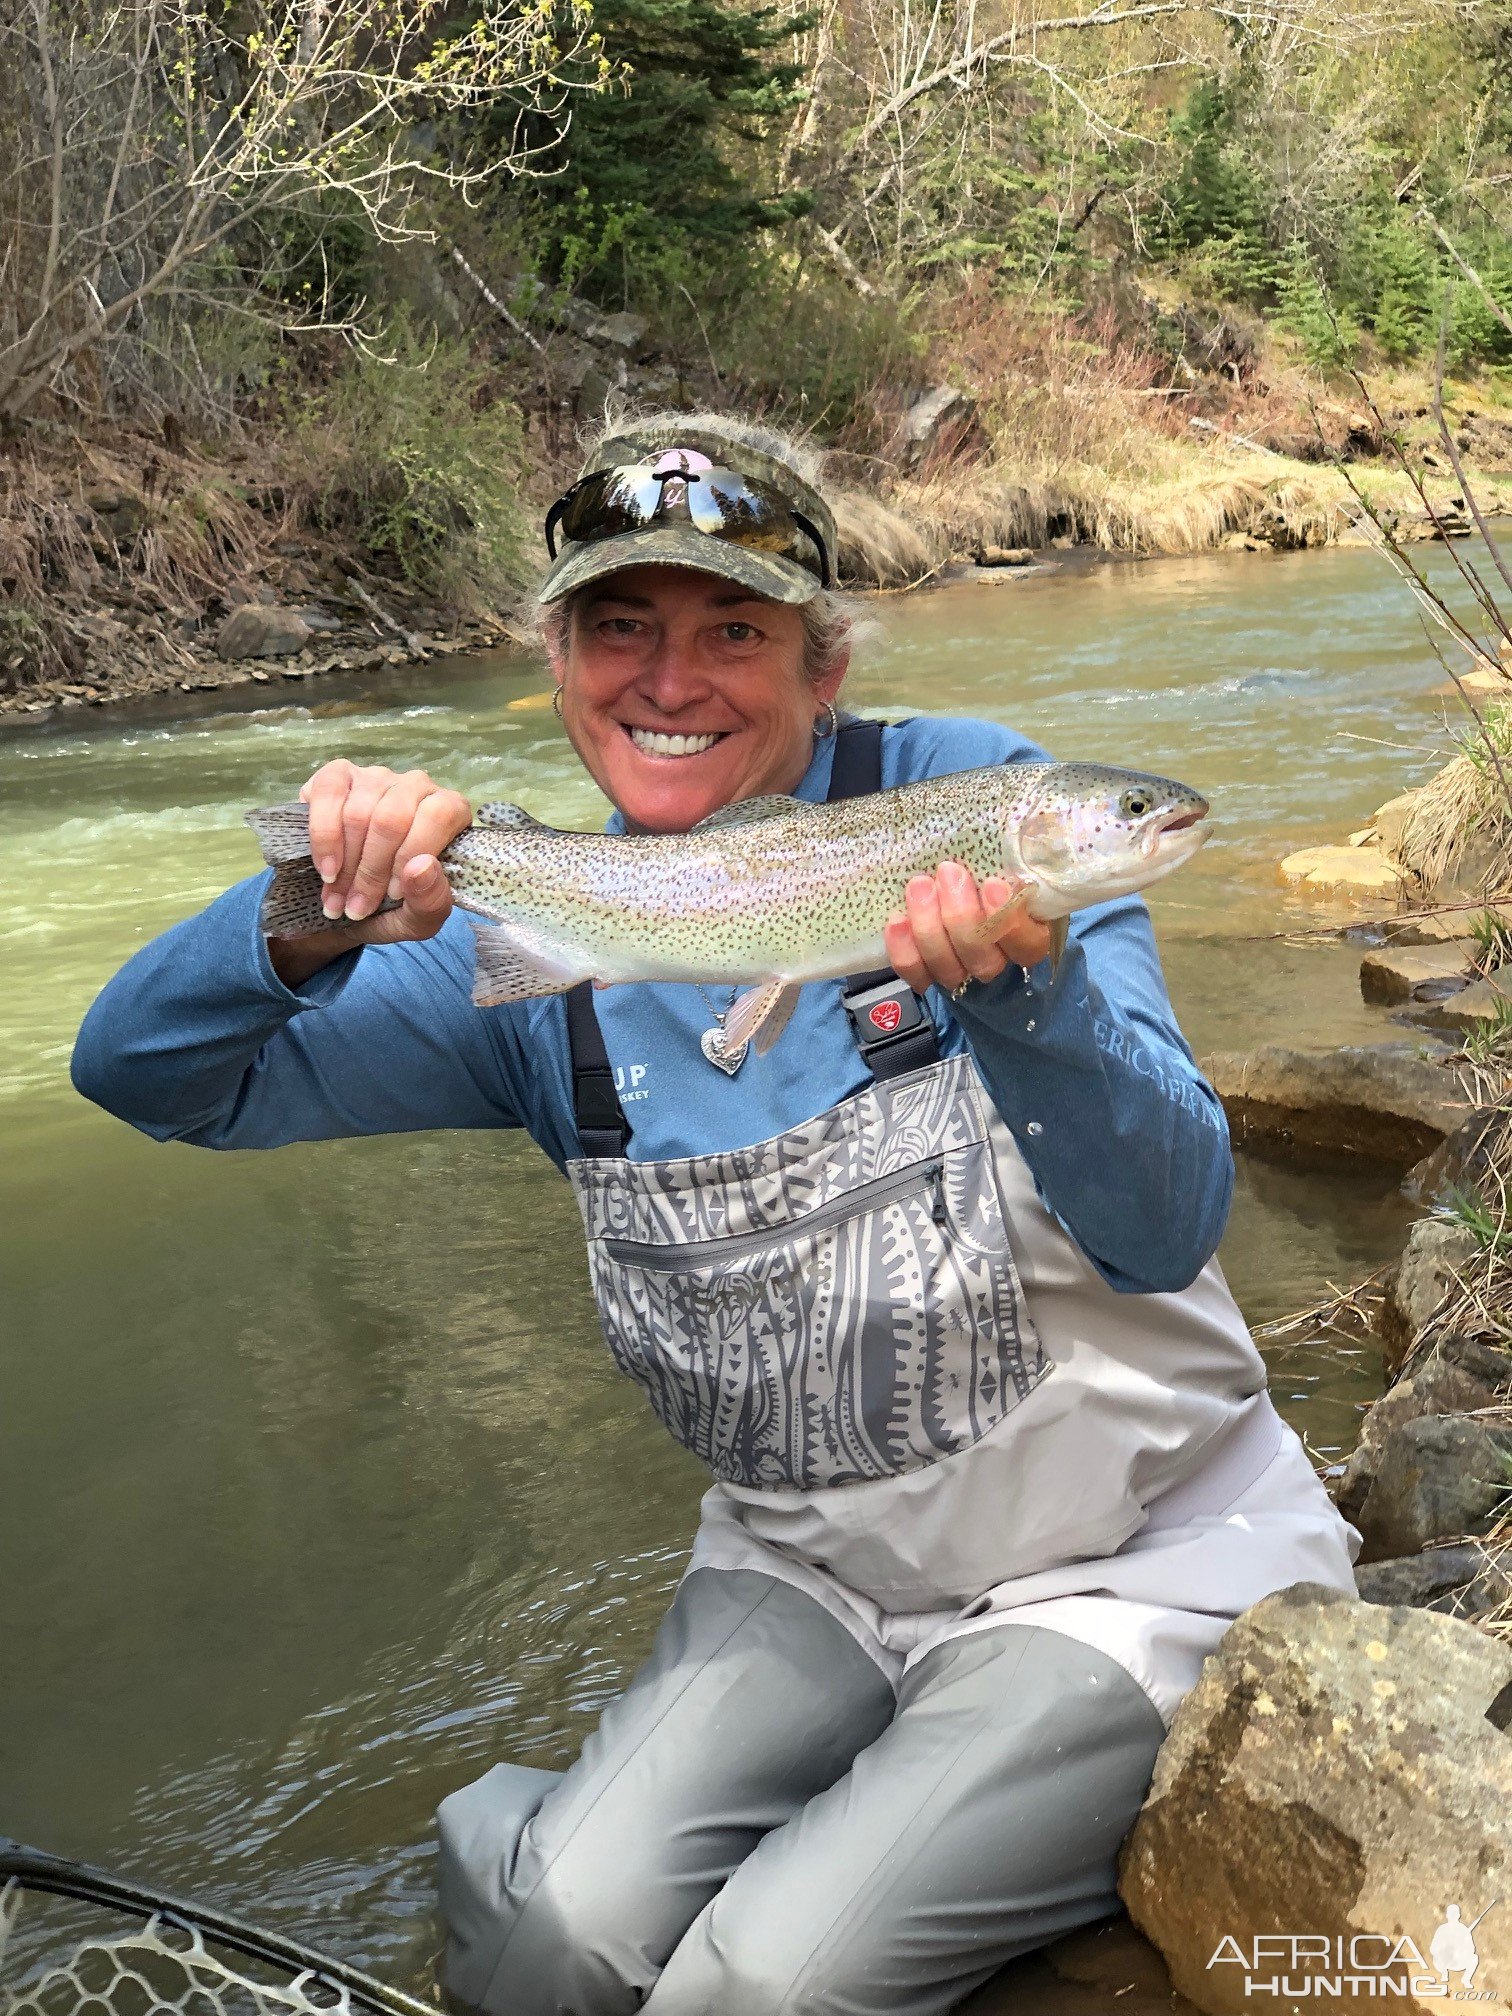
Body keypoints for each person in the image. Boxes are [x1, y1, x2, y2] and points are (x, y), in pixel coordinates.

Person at [72, 411, 1359, 2016]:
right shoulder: (548, 933)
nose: (668, 682)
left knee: (766, 1981)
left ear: (823, 671)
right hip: (806, 1568)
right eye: (622, 628)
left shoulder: (975, 798)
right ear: (557, 664)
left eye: (732, 631)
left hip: (1129, 1558)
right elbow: (146, 1077)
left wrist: (1030, 1001)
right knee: (556, 1934)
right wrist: (305, 908)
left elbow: (1168, 1225)